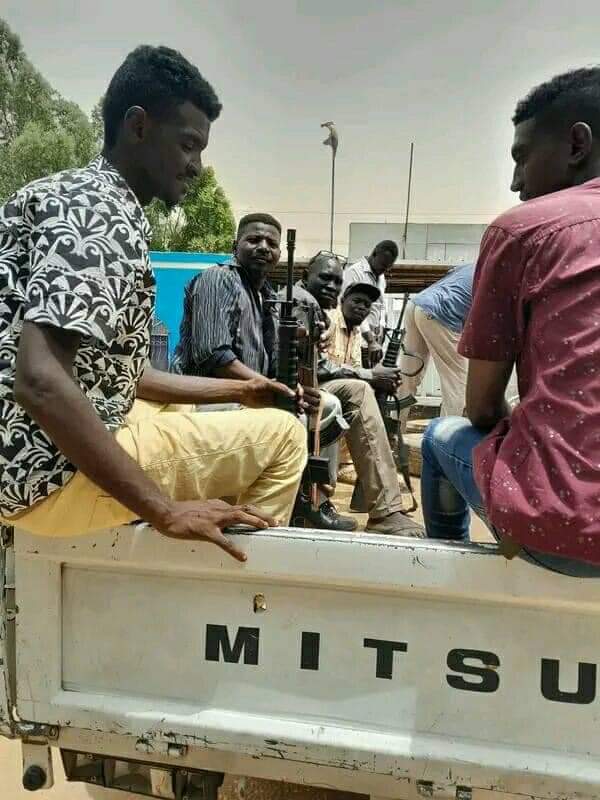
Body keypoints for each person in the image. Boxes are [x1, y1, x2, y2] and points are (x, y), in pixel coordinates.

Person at [0, 45, 309, 563]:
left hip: (17, 459)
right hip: (44, 476)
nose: (197, 167)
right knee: (286, 435)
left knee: (181, 405)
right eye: (189, 145)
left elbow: (123, 374)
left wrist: (243, 390)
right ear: (139, 127)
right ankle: (229, 588)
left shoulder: (65, 191)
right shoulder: (102, 215)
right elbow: (41, 380)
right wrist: (167, 511)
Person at [421, 66, 600, 576]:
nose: (516, 182)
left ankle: (445, 578)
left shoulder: (523, 230)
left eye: (522, 157)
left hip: (567, 529)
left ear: (577, 144)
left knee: (440, 434)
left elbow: (481, 407)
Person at [172, 214, 356, 532]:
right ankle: (261, 519)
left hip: (251, 395)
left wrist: (297, 381)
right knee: (290, 417)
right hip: (207, 397)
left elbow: (273, 365)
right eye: (254, 240)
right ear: (236, 246)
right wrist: (269, 389)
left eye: (271, 243)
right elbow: (214, 356)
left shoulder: (266, 296)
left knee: (326, 405)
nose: (263, 247)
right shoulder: (218, 279)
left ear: (280, 254)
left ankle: (313, 501)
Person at [288, 252, 425, 537]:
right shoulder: (316, 309)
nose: (362, 307)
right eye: (325, 278)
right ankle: (381, 509)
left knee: (355, 395)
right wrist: (372, 376)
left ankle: (339, 500)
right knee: (351, 395)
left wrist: (377, 378)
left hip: (307, 388)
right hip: (296, 390)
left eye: (336, 282)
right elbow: (321, 367)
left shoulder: (348, 328)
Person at [397, 263, 475, 432]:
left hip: (417, 304)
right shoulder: (500, 274)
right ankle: (446, 437)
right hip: (441, 310)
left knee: (408, 376)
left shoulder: (471, 266)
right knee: (456, 381)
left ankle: (394, 432)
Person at [343, 240, 399, 363]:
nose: (384, 270)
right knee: (358, 372)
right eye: (382, 265)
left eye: (387, 267)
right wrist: (370, 340)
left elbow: (381, 305)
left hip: (375, 339)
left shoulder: (381, 277)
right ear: (374, 254)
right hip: (359, 340)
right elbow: (354, 311)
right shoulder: (354, 272)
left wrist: (382, 328)